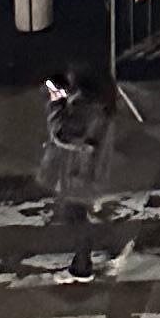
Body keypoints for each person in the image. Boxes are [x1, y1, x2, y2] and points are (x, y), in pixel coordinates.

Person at [36, 67, 119, 282]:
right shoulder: (98, 102)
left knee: (74, 217)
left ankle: (83, 266)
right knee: (76, 214)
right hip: (87, 171)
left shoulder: (85, 106)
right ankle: (85, 260)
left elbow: (62, 132)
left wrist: (56, 102)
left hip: (79, 173)